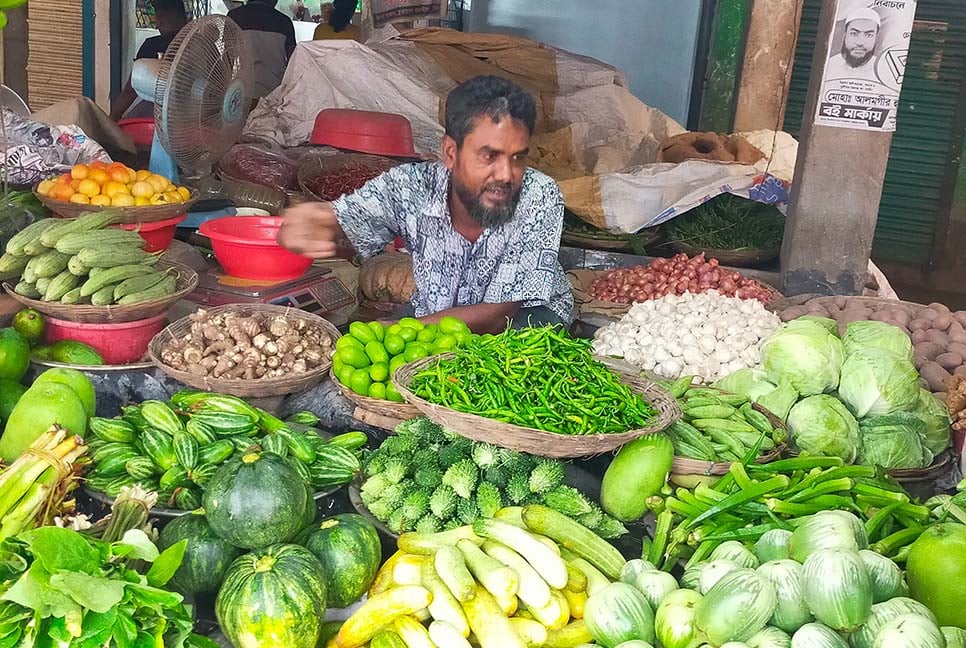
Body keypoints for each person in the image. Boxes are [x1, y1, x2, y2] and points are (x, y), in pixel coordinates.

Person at [278, 75, 574, 334]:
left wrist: (403, 328)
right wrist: (317, 223)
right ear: (450, 152)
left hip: (527, 316)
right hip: (436, 311)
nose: (507, 174)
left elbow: (498, 316)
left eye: (518, 157)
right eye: (489, 156)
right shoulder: (410, 186)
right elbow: (349, 220)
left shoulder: (539, 195)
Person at [110, 0, 188, 121]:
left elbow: (130, 91)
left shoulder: (152, 45)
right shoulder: (203, 43)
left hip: (159, 117)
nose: (157, 25)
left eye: (158, 17)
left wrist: (111, 120)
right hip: (195, 118)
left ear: (163, 17)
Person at [227, 0, 296, 98]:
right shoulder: (284, 22)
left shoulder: (234, 17)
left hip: (242, 92)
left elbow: (226, 57)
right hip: (274, 94)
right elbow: (293, 61)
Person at [826, 8, 881, 82]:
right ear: (845, 35)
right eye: (854, 33)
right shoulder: (829, 66)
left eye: (869, 35)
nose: (860, 43)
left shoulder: (883, 70)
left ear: (876, 38)